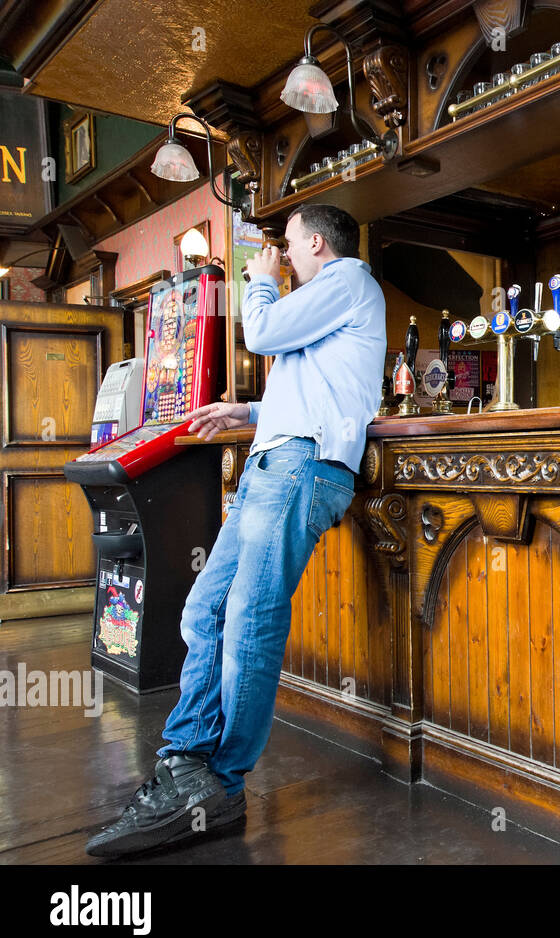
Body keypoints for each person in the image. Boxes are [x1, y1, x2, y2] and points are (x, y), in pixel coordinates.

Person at [86, 204, 387, 857]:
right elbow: (312, 384)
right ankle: (187, 763)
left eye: (284, 242)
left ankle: (217, 782)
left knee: (249, 618)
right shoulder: (325, 303)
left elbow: (263, 332)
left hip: (301, 466)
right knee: (206, 610)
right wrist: (244, 410)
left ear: (313, 241)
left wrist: (259, 276)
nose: (277, 250)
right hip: (272, 462)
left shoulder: (348, 280)